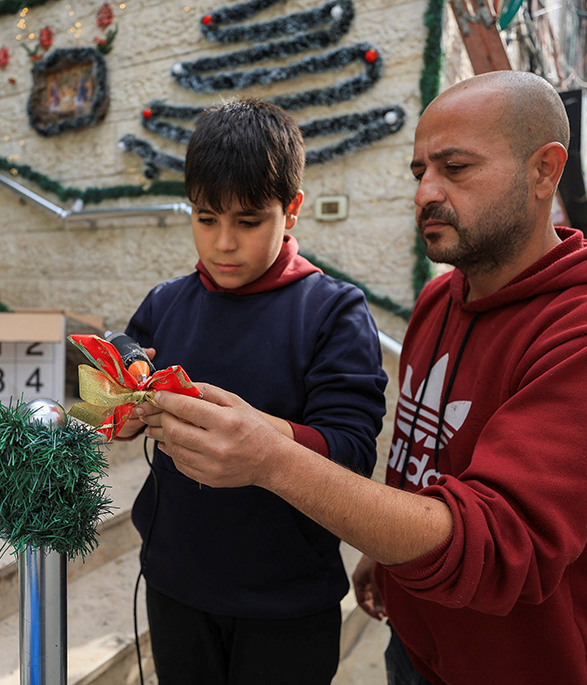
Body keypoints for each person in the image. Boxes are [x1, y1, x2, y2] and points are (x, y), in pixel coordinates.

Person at [136, 71, 587, 685]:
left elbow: (500, 544)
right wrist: (384, 554)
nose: (425, 193)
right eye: (420, 172)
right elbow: (423, 460)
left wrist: (271, 457)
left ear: (545, 171)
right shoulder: (440, 301)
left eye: (456, 167)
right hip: (415, 643)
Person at [118, 98, 388, 684]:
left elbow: (352, 451)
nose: (222, 245)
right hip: (174, 579)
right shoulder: (166, 302)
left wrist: (260, 438)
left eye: (247, 222)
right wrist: (121, 399)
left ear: (290, 210)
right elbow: (120, 377)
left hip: (286, 598)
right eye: (205, 218)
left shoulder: (333, 310)